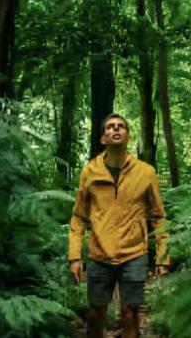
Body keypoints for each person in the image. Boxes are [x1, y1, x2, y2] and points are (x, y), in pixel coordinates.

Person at [68, 114, 168, 338]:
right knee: (95, 313)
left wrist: (163, 256)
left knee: (130, 313)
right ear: (103, 138)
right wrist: (75, 256)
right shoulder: (90, 172)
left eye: (121, 126)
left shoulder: (145, 172)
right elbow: (78, 217)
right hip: (99, 254)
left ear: (127, 136)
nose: (116, 129)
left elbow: (158, 217)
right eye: (110, 127)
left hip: (134, 252)